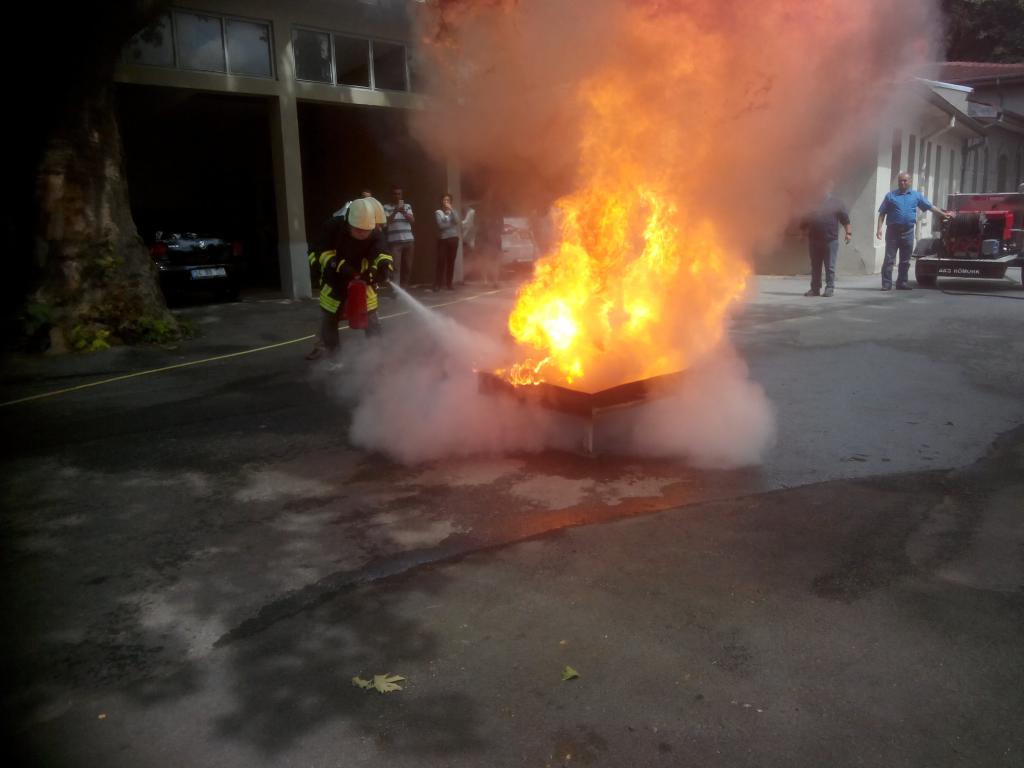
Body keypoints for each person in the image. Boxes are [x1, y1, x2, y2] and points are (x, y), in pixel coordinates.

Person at [314, 197, 392, 356]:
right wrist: (340, 267)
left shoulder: (374, 232)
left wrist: (381, 267)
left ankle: (376, 357)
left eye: (368, 230)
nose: (364, 234)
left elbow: (382, 251)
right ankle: (333, 358)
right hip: (334, 281)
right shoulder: (333, 228)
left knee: (371, 319)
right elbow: (320, 252)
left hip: (362, 282)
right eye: (359, 230)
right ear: (349, 223)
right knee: (329, 319)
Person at [876, 172, 951, 291]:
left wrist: (943, 214)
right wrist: (879, 229)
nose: (902, 183)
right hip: (892, 233)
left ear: (910, 182)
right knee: (889, 258)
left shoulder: (916, 196)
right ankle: (886, 283)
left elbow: (929, 206)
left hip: (908, 232)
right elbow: (882, 213)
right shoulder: (890, 196)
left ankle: (902, 283)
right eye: (900, 180)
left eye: (905, 181)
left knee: (905, 259)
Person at [800, 187, 852, 297]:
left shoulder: (836, 203)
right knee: (815, 266)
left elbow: (845, 220)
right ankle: (815, 289)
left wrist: (848, 233)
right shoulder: (812, 203)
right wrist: (802, 233)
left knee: (830, 267)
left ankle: (829, 288)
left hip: (830, 240)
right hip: (814, 241)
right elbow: (805, 221)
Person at [383, 185, 416, 288]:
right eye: (395, 194)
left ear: (402, 195)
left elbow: (412, 220)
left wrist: (404, 212)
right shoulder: (386, 207)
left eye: (399, 194)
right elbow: (386, 222)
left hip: (409, 241)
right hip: (394, 242)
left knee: (408, 267)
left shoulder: (407, 206)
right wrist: (395, 211)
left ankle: (404, 288)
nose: (397, 196)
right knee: (395, 267)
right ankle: (396, 290)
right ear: (391, 195)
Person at [434, 193, 461, 291]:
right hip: (443, 239)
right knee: (441, 261)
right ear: (441, 202)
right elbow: (440, 226)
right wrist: (451, 223)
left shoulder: (454, 212)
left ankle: (449, 284)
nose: (446, 202)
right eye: (444, 200)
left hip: (453, 239)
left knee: (451, 262)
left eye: (448, 200)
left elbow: (457, 221)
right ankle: (438, 284)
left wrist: (451, 210)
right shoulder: (438, 212)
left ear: (450, 202)